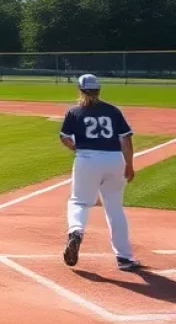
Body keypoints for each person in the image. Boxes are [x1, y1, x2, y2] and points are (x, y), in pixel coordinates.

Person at [59, 74, 139, 271]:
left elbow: (65, 138)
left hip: (87, 159)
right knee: (114, 209)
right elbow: (126, 141)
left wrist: (76, 148)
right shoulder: (113, 111)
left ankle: (76, 232)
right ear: (99, 91)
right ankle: (124, 258)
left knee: (79, 202)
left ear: (80, 90)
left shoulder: (74, 112)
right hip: (114, 160)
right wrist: (129, 165)